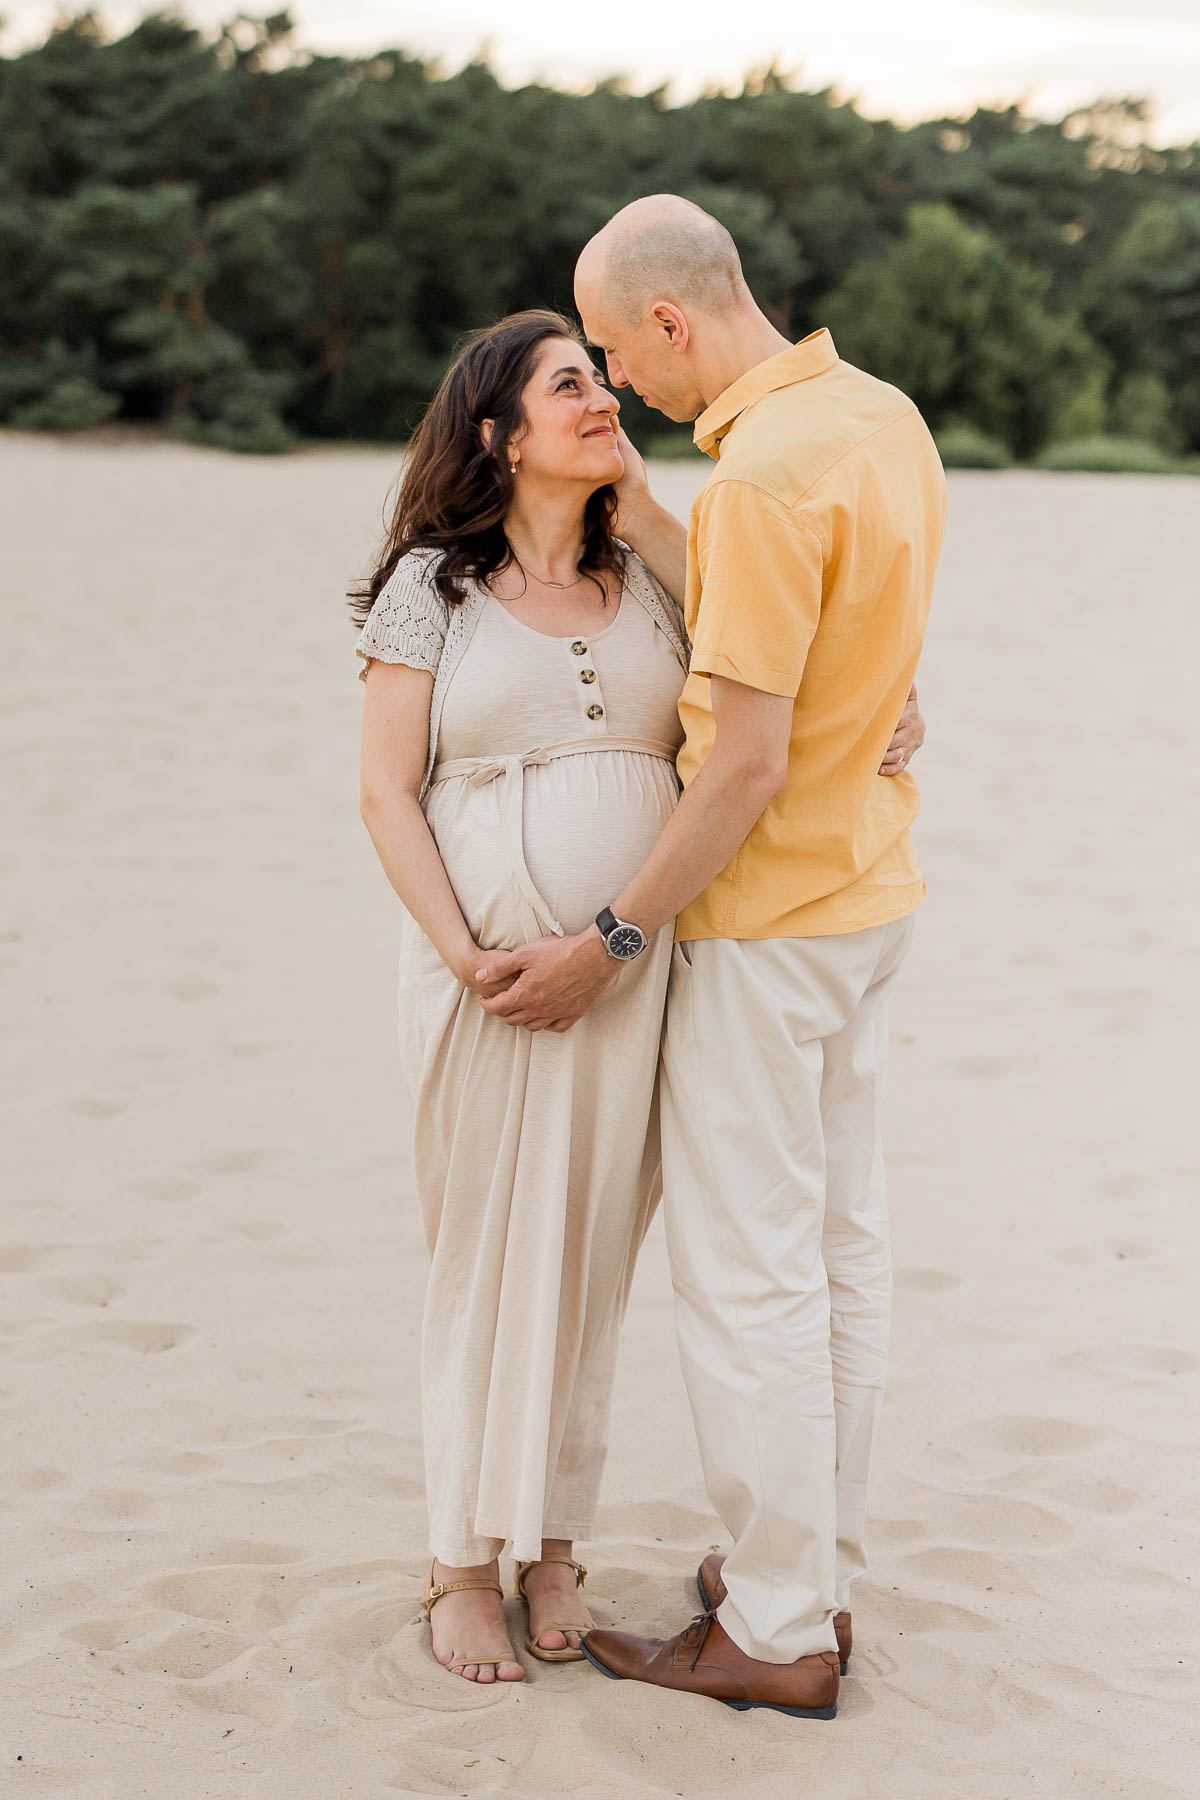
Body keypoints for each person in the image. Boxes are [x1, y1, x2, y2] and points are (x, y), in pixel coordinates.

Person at [354, 307, 924, 1688]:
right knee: (487, 1266)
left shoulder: (654, 573)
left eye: (606, 373)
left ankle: (554, 1547)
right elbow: (383, 792)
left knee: (591, 1274)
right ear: (498, 432)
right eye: (570, 383)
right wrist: (464, 957)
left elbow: (793, 665)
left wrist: (892, 710)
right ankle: (458, 1564)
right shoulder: (432, 587)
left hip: (630, 981)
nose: (604, 394)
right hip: (494, 988)